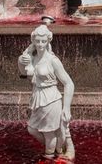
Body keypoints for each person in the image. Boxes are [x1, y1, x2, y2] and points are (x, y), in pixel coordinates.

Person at [18, 24, 75, 161]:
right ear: (33, 41)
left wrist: (66, 107)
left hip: (51, 98)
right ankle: (57, 149)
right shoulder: (32, 58)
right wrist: (21, 61)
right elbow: (23, 74)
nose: (40, 44)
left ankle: (49, 157)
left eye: (43, 41)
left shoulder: (53, 60)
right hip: (37, 97)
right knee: (32, 129)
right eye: (37, 41)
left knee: (49, 134)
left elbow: (69, 83)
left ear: (48, 41)